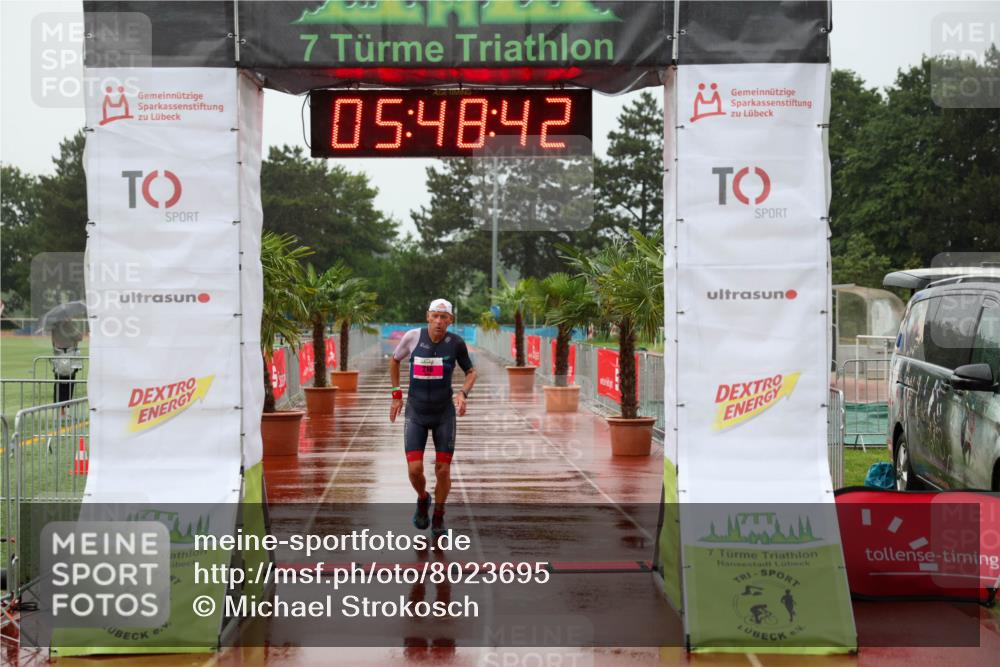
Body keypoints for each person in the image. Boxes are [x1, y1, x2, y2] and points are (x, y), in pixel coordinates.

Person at [389, 299, 477, 540]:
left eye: (443, 317)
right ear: (428, 316)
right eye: (435, 316)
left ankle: (438, 514)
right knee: (415, 469)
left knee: (443, 470)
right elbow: (394, 360)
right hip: (416, 412)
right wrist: (396, 395)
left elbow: (471, 372)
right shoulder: (413, 337)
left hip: (443, 414)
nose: (438, 321)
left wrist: (463, 393)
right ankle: (423, 498)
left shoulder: (456, 343)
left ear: (450, 320)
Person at [51, 319, 83, 403]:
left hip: (65, 356)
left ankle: (64, 407)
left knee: (67, 383)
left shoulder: (60, 327)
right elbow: (79, 337)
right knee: (61, 383)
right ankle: (61, 407)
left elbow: (79, 337)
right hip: (64, 355)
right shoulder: (57, 327)